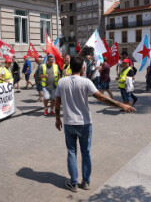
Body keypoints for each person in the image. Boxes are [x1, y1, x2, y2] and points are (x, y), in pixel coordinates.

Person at [54, 55, 135, 192]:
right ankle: (85, 182)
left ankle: (73, 183)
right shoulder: (86, 82)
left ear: (70, 66)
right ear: (82, 68)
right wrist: (120, 105)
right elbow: (102, 98)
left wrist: (57, 119)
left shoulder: (61, 82)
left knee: (71, 152)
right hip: (85, 123)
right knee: (85, 152)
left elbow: (57, 103)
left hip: (69, 123)